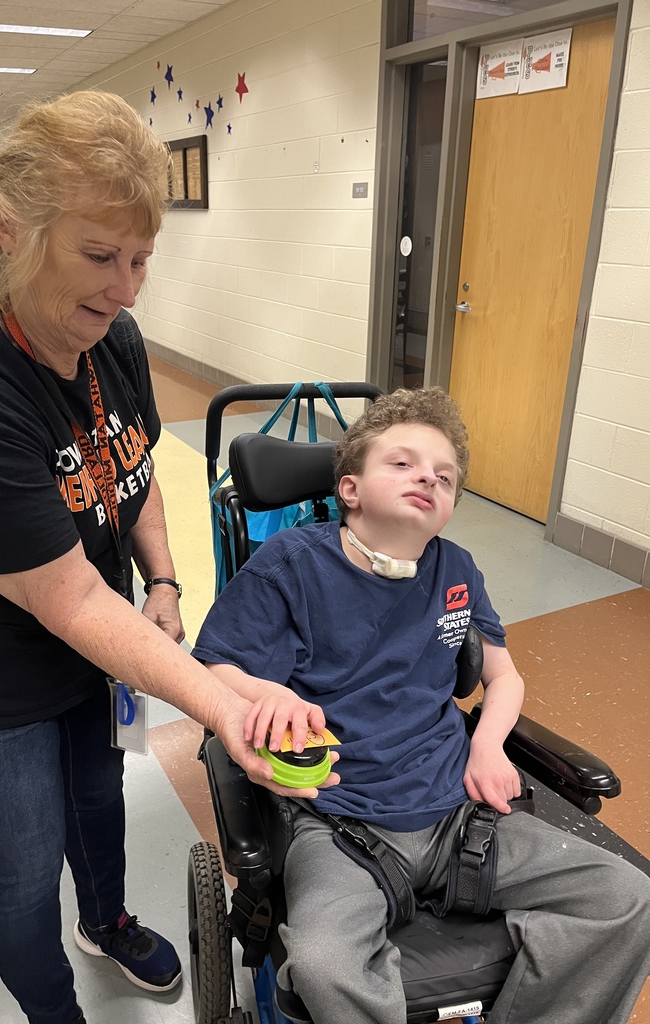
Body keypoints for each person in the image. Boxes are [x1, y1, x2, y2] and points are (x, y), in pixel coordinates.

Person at [0, 90, 333, 1024]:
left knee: (100, 797)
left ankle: (108, 919)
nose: (126, 288)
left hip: (93, 645)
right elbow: (73, 602)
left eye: (139, 260)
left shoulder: (108, 339)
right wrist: (219, 698)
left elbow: (132, 474)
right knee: (20, 862)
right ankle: (55, 1011)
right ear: (8, 229)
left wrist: (164, 580)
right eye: (98, 256)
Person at [192, 387, 650, 1024]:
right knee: (325, 964)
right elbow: (215, 665)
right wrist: (269, 693)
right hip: (339, 818)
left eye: (444, 476)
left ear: (451, 506)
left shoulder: (454, 570)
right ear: (350, 488)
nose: (427, 479)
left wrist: (487, 745)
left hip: (457, 811)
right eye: (402, 463)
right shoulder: (290, 566)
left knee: (627, 898)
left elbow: (504, 676)